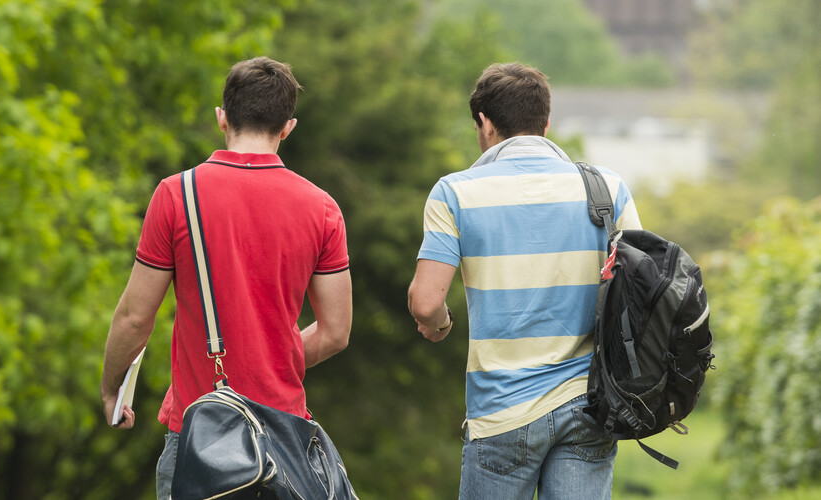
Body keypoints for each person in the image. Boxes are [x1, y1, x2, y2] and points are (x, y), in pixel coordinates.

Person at [100, 57, 353, 500]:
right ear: (288, 127)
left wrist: (111, 387)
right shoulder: (323, 208)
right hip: (286, 440)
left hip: (200, 437)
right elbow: (335, 333)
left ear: (221, 118)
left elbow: (134, 318)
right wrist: (274, 358)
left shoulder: (177, 195)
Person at [407, 62, 642, 499]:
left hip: (502, 411)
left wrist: (439, 324)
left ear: (484, 123)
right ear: (546, 124)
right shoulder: (607, 189)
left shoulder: (455, 193)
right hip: (588, 405)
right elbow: (636, 291)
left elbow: (425, 303)